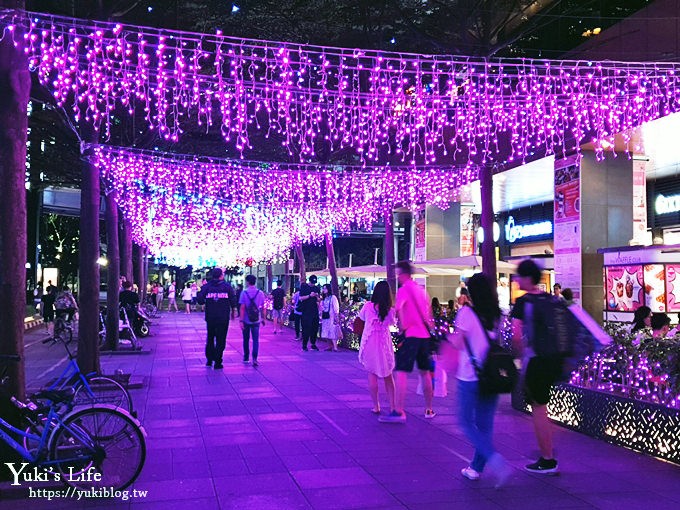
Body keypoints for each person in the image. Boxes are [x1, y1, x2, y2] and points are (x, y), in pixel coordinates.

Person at [450, 273, 511, 486]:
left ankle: (495, 460)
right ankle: (475, 468)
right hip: (491, 375)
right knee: (484, 426)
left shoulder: (466, 313)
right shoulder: (496, 314)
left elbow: (457, 343)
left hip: (469, 375)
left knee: (466, 422)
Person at [511, 259, 561, 474]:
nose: (516, 280)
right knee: (543, 407)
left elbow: (515, 335)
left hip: (536, 360)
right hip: (553, 360)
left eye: (519, 276)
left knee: (539, 410)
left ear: (528, 278)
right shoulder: (552, 299)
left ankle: (547, 458)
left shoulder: (524, 302)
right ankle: (547, 453)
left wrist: (520, 356)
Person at [379, 261, 435, 423]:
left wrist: (402, 324)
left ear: (404, 274)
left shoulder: (404, 290)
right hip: (425, 337)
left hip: (411, 336)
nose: (397, 277)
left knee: (402, 373)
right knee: (425, 373)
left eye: (398, 274)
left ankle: (398, 411)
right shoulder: (421, 291)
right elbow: (428, 314)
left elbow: (398, 309)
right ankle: (429, 409)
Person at [358, 281, 396, 415]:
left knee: (372, 373)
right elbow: (392, 323)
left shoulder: (368, 306)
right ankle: (392, 406)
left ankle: (376, 406)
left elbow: (361, 318)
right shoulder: (390, 310)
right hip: (383, 343)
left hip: (369, 342)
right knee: (388, 375)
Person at [197, 268, 235, 369]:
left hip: (211, 317)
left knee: (210, 338)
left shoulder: (207, 287)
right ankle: (218, 361)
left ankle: (209, 359)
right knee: (221, 339)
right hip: (223, 317)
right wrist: (233, 312)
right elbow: (233, 301)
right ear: (221, 276)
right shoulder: (227, 287)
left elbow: (200, 300)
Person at [239, 274, 265, 366]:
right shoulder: (260, 293)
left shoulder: (244, 293)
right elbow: (262, 307)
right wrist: (263, 318)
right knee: (255, 340)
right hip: (256, 320)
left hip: (246, 320)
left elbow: (242, 307)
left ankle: (246, 357)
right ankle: (255, 358)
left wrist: (241, 321)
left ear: (247, 282)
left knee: (246, 339)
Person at [299, 275, 321, 351]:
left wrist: (317, 297)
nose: (313, 284)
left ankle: (313, 343)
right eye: (312, 282)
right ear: (309, 281)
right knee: (306, 328)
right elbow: (300, 298)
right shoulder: (304, 287)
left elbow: (319, 300)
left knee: (315, 328)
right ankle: (304, 345)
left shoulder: (316, 288)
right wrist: (309, 295)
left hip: (314, 311)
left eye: (314, 283)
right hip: (306, 311)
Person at [319, 283, 341, 351]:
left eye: (325, 288)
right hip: (325, 316)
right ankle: (329, 345)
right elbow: (322, 307)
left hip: (331, 316)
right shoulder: (325, 298)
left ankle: (335, 347)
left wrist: (336, 316)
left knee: (332, 330)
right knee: (326, 331)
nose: (323, 290)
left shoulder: (333, 297)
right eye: (323, 288)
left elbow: (336, 308)